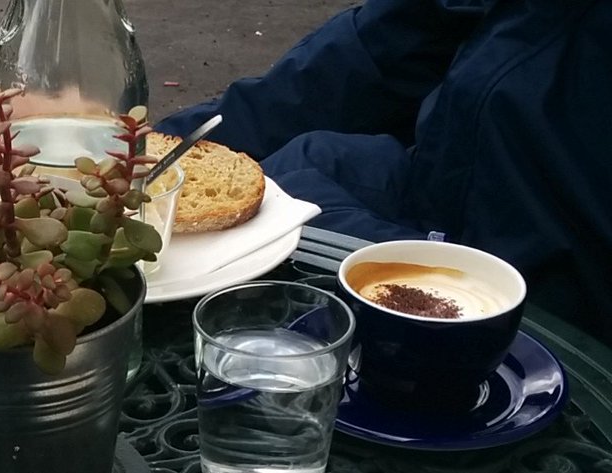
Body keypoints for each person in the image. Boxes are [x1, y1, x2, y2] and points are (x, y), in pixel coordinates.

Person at [155, 0, 612, 343]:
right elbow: (387, 48)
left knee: (263, 259)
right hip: (444, 185)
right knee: (308, 163)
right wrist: (157, 151)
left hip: (551, 289)